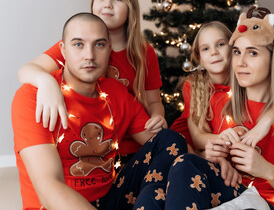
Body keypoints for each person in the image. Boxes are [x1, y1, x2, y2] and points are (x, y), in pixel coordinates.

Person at [135, 8, 274, 210]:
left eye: (253, 53)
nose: (240, 62)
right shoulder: (219, 103)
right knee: (157, 190)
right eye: (237, 52)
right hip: (225, 192)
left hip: (264, 203)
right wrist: (212, 155)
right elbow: (200, 144)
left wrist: (266, 170)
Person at [12, 13, 187, 210]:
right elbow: (49, 189)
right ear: (63, 50)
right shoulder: (33, 96)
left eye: (99, 44)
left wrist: (208, 152)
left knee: (170, 140)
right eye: (78, 44)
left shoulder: (115, 92)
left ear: (109, 49)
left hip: (110, 200)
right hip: (59, 206)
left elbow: (160, 144)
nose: (89, 55)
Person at [17, 0, 166, 163]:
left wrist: (157, 117)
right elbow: (27, 70)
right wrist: (47, 83)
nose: (107, 5)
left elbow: (154, 101)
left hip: (135, 145)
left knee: (169, 151)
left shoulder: (143, 52)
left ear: (130, 6)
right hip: (93, 146)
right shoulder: (77, 46)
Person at [171, 21, 274, 155]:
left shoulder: (244, 78)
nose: (214, 52)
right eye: (205, 48)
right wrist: (230, 138)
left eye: (221, 44)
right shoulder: (193, 86)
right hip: (186, 147)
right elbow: (197, 139)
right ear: (199, 58)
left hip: (219, 149)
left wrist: (265, 122)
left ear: (233, 49)